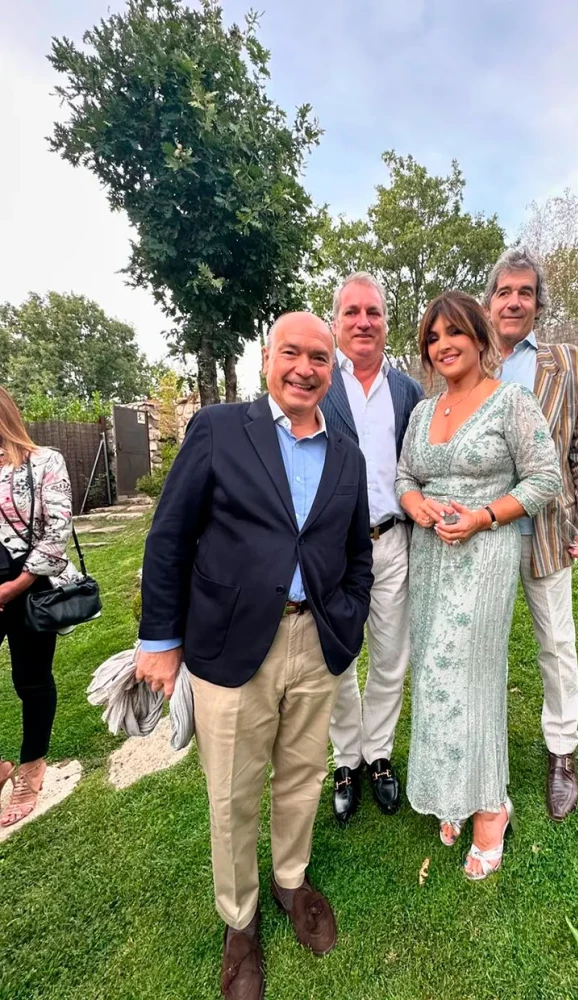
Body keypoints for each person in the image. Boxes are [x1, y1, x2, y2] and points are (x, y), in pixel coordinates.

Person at [135, 313, 373, 1000]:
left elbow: (357, 552)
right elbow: (170, 536)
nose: (305, 368)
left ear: (333, 370)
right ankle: (239, 921)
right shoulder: (218, 428)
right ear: (268, 357)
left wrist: (348, 618)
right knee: (232, 792)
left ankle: (290, 880)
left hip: (317, 639)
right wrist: (160, 640)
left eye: (319, 359)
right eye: (291, 353)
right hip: (231, 642)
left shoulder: (347, 453)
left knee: (302, 775)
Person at [395, 292, 562, 880]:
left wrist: (484, 516)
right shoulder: (421, 411)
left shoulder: (511, 402)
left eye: (454, 333)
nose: (443, 346)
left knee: (473, 674)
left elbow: (546, 477)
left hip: (485, 553)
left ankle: (490, 806)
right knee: (435, 673)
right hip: (430, 556)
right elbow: (405, 474)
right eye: (432, 338)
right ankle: (451, 790)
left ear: (480, 338)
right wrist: (415, 504)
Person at [486, 246, 578, 821]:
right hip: (484, 533)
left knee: (555, 643)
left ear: (538, 304)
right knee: (480, 646)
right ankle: (481, 756)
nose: (514, 302)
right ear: (489, 303)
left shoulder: (571, 364)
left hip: (547, 529)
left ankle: (562, 752)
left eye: (525, 293)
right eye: (504, 292)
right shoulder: (469, 362)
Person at [320, 272, 424, 824]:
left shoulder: (407, 391)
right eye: (352, 312)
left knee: (389, 657)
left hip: (392, 541)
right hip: (332, 551)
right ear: (336, 322)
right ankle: (346, 758)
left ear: (386, 322)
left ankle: (378, 753)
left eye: (374, 313)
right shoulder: (318, 382)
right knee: (339, 659)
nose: (363, 322)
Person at [0, 386, 79, 827]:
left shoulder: (43, 461)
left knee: (29, 678)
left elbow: (57, 527)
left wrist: (14, 586)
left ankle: (31, 768)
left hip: (29, 585)